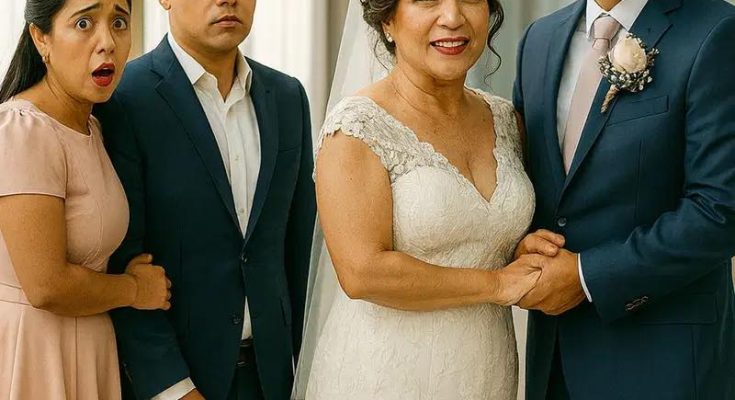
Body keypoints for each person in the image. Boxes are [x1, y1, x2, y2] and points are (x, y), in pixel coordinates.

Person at [294, 0, 565, 399]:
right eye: (427, 1)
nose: (452, 18)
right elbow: (362, 272)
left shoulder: (506, 119)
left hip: (486, 372)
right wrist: (496, 284)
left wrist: (519, 250)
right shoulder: (356, 127)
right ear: (388, 21)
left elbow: (480, 234)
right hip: (384, 376)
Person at [94, 0, 316, 398]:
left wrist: (310, 375)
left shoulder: (287, 97)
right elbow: (122, 262)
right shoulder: (125, 98)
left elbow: (300, 255)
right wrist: (174, 389)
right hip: (177, 381)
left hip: (275, 381)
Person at [513, 0, 735, 398]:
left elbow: (720, 210)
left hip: (661, 367)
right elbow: (531, 185)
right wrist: (522, 241)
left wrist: (587, 276)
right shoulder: (538, 40)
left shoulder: (718, 30)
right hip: (554, 363)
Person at [0, 1, 171, 399]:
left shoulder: (94, 127)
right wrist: (134, 290)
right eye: (83, 23)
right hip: (34, 353)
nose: (107, 42)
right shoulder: (22, 130)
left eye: (119, 22)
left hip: (91, 348)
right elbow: (47, 286)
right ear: (41, 38)